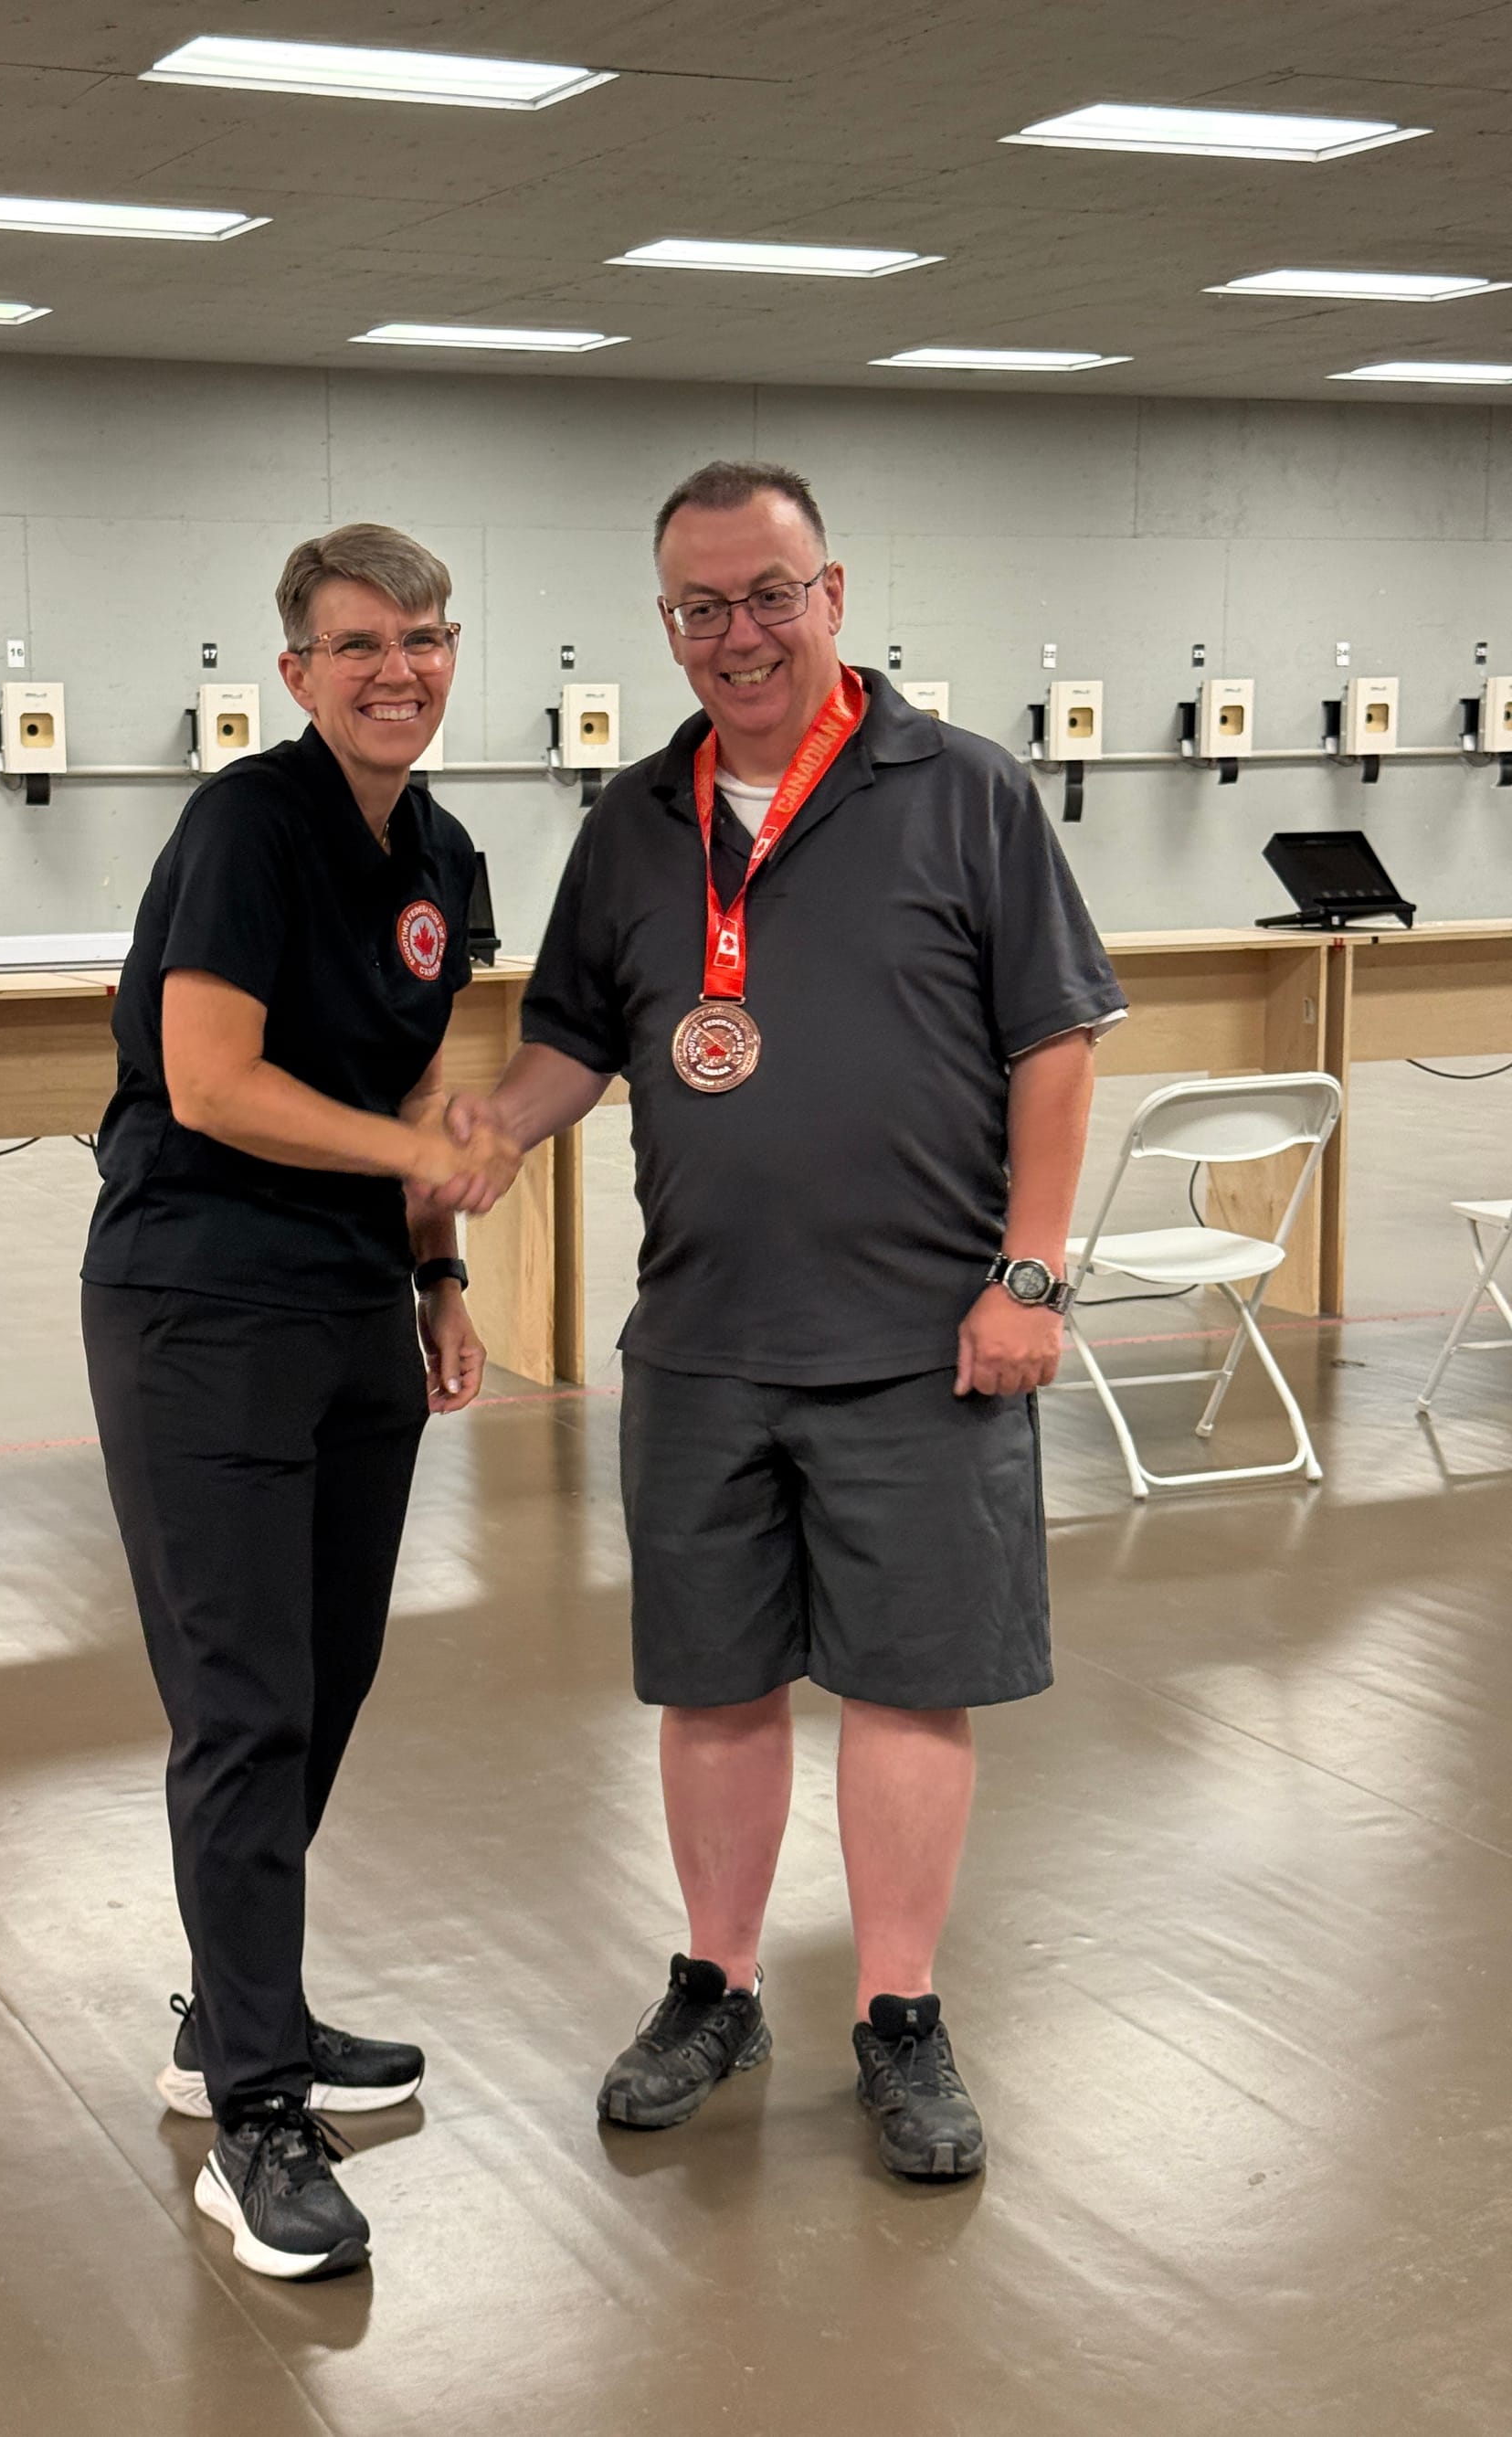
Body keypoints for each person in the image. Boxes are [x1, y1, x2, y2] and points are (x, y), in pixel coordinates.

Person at [442, 461, 1126, 2182]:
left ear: (834, 595)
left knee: (911, 1690)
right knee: (715, 1685)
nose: (736, 634)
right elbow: (576, 1040)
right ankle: (717, 1985)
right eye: (698, 607)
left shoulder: (961, 791)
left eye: (768, 594)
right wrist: (491, 1132)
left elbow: (1057, 1043)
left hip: (926, 1342)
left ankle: (900, 2016)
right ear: (663, 624)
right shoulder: (629, 825)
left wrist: (1029, 1271)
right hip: (706, 1344)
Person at [81, 523, 518, 2280]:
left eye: (422, 638)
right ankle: (253, 2111)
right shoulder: (245, 829)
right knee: (245, 1702)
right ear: (297, 671)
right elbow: (210, 1080)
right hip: (200, 1302)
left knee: (327, 1678)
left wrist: (436, 1269)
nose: (395, 669)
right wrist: (416, 1155)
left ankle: (233, 2008)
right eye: (358, 645)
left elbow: (411, 1066)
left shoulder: (446, 852)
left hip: (351, 1308)